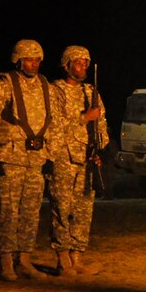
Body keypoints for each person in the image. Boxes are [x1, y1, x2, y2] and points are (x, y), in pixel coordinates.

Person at [0, 39, 54, 281]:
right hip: (11, 157)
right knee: (9, 212)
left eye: (37, 60)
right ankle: (5, 262)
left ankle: (23, 259)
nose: (33, 64)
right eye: (29, 59)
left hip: (35, 158)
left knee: (31, 212)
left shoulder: (46, 86)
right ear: (18, 60)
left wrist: (50, 153)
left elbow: (54, 122)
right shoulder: (6, 83)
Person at [48, 45, 109, 276]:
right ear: (66, 65)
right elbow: (54, 125)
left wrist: (99, 147)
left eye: (85, 62)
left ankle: (77, 254)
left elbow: (101, 124)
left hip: (87, 157)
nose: (83, 66)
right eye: (78, 62)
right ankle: (62, 256)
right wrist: (84, 117)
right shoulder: (55, 91)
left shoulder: (91, 92)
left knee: (84, 209)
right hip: (64, 156)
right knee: (62, 207)